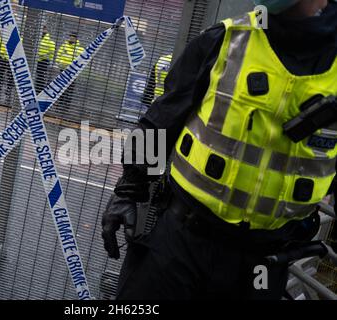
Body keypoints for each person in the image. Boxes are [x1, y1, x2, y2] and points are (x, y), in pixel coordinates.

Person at [102, 0, 337, 300]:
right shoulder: (225, 41)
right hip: (180, 243)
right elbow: (159, 122)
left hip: (262, 263)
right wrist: (127, 190)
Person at [55, 32, 83, 115]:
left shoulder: (79, 49)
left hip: (72, 72)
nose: (71, 38)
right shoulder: (64, 46)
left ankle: (65, 107)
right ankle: (59, 105)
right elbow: (58, 55)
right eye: (70, 37)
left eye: (73, 37)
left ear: (76, 39)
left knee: (69, 90)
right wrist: (59, 63)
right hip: (62, 70)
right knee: (61, 88)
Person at [0, 36, 14, 104]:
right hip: (2, 58)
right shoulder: (3, 37)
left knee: (10, 77)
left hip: (10, 60)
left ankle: (8, 91)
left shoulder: (16, 38)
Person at [35, 25, 56, 94]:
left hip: (43, 62)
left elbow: (51, 53)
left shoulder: (49, 42)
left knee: (40, 77)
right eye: (42, 29)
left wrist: (42, 56)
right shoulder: (35, 38)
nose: (43, 31)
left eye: (44, 29)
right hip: (35, 61)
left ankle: (39, 92)